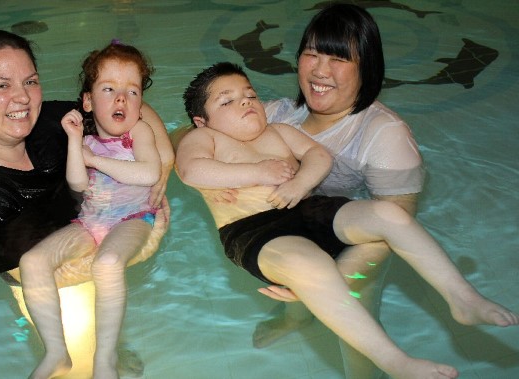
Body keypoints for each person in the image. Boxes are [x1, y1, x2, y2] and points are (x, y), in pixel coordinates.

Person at [175, 61, 518, 379]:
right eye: (227, 101)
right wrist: (255, 171)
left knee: (387, 213)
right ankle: (394, 360)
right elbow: (191, 170)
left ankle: (462, 297)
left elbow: (318, 155)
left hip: (308, 209)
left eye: (249, 94)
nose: (246, 102)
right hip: (254, 231)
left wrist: (301, 181)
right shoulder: (203, 138)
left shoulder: (277, 130)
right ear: (201, 120)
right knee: (309, 267)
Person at [0, 30, 173, 379]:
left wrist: (164, 162)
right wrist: (142, 247)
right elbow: (44, 272)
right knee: (78, 358)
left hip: (98, 231)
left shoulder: (49, 121)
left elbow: (121, 105)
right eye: (1, 86)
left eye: (30, 81)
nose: (22, 98)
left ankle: (108, 351)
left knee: (105, 305)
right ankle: (69, 355)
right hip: (53, 283)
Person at [53, 41, 161, 379]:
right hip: (91, 220)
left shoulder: (137, 132)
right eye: (109, 89)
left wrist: (96, 160)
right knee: (47, 267)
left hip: (131, 218)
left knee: (108, 265)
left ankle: (106, 358)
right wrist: (75, 143)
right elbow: (77, 183)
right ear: (88, 101)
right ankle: (64, 351)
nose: (121, 99)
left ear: (141, 103)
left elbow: (149, 172)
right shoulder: (85, 140)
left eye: (132, 92)